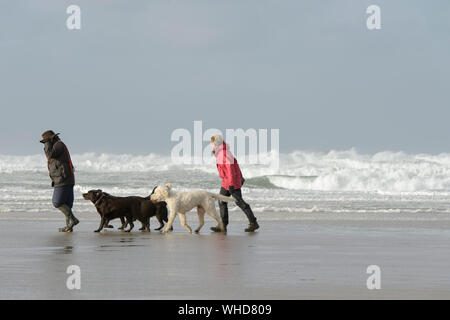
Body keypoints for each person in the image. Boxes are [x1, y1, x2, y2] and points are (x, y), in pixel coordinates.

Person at [209, 134, 259, 233]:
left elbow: (231, 169)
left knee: (239, 201)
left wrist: (232, 183)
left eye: (211, 143)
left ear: (215, 143)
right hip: (226, 181)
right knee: (221, 201)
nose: (210, 145)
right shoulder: (220, 153)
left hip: (232, 182)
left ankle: (253, 223)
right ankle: (223, 225)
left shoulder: (224, 153)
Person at [40, 130, 79, 232]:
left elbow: (50, 155)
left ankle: (73, 220)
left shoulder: (58, 145)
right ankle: (69, 227)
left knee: (57, 202)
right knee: (67, 204)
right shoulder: (58, 146)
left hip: (63, 179)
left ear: (51, 139)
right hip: (66, 178)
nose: (45, 144)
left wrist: (48, 142)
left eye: (46, 141)